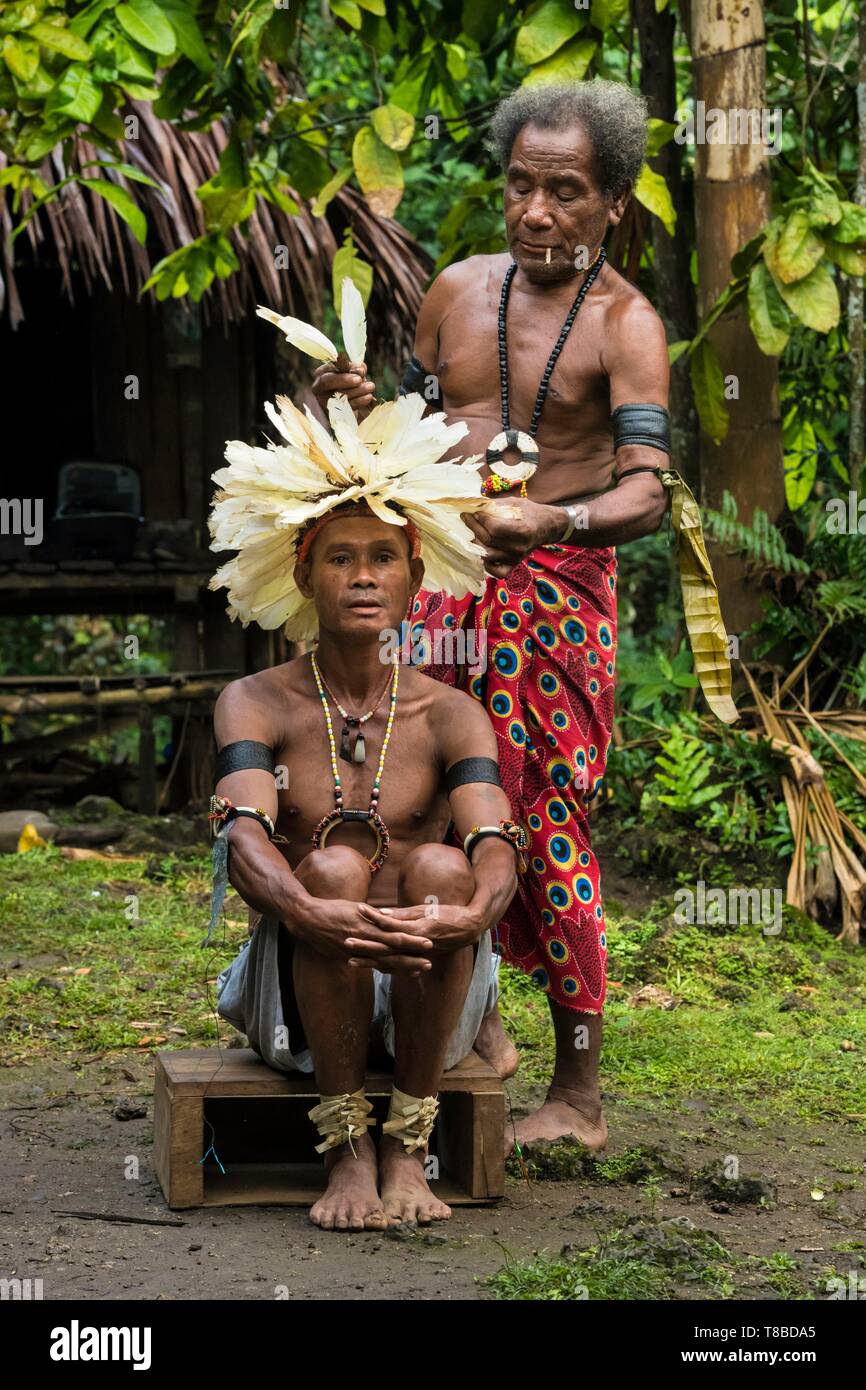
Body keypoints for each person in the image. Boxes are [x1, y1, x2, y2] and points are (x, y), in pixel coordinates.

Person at [311, 80, 735, 1159]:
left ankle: (578, 1089)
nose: (535, 212)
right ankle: (477, 1030)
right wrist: (353, 406)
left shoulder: (625, 323)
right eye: (519, 187)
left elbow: (649, 491)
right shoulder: (453, 291)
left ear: (610, 204)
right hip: (441, 586)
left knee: (540, 820)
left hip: (552, 598)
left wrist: (559, 516)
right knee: (424, 805)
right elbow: (406, 436)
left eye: (564, 192)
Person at [206, 386, 522, 1230]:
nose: (363, 577)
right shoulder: (255, 700)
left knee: (443, 865)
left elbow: (495, 838)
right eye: (341, 558)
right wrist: (312, 908)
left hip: (432, 987)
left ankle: (408, 1147)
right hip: (302, 1005)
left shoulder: (452, 712)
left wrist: (476, 913)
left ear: (416, 575)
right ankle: (346, 1151)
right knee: (337, 865)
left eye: (383, 557)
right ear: (303, 572)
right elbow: (240, 835)